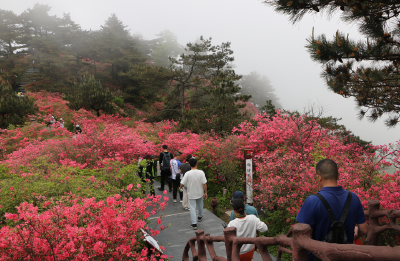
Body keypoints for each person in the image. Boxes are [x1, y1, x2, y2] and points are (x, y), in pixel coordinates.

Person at [296, 159, 368, 261]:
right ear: (338, 176)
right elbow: (364, 229)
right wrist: (356, 233)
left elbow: (301, 234)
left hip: (318, 257)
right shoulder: (353, 198)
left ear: (319, 177)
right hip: (345, 257)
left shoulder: (312, 201)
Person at [180, 158, 207, 230]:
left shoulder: (187, 173)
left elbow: (182, 183)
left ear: (189, 165)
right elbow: (204, 184)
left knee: (192, 208)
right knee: (200, 205)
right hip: (200, 192)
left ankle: (194, 224)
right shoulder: (201, 172)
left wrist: (180, 187)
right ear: (196, 164)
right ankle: (200, 217)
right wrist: (206, 192)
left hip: (191, 193)